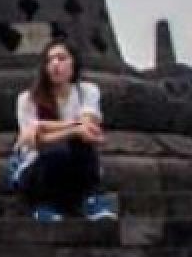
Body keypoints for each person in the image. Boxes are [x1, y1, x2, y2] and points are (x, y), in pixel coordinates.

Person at [12, 38, 116, 221]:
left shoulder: (87, 91)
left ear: (74, 64)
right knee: (57, 148)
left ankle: (92, 201)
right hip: (36, 170)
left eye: (61, 58)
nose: (55, 64)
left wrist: (42, 126)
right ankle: (45, 205)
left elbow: (89, 128)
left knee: (80, 142)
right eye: (49, 60)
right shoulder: (27, 99)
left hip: (74, 166)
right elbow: (31, 140)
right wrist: (73, 128)